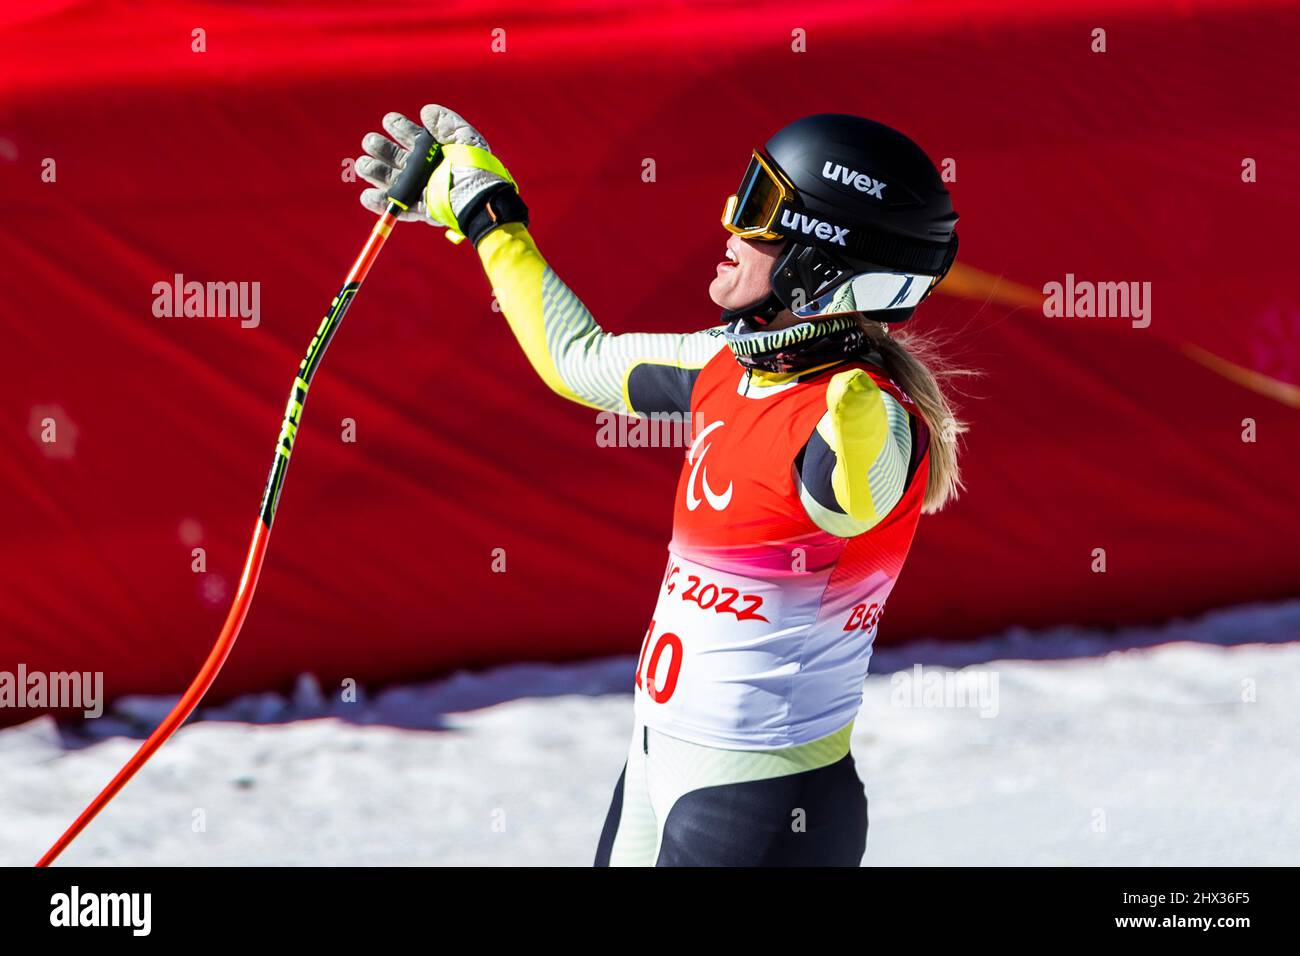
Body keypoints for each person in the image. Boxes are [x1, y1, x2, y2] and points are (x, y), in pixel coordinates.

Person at [355, 106, 966, 866]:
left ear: (825, 265)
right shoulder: (729, 366)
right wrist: (486, 211)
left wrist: (857, 441)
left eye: (760, 217)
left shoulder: (871, 417)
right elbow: (577, 359)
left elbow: (852, 500)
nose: (730, 230)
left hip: (765, 807)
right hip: (655, 764)